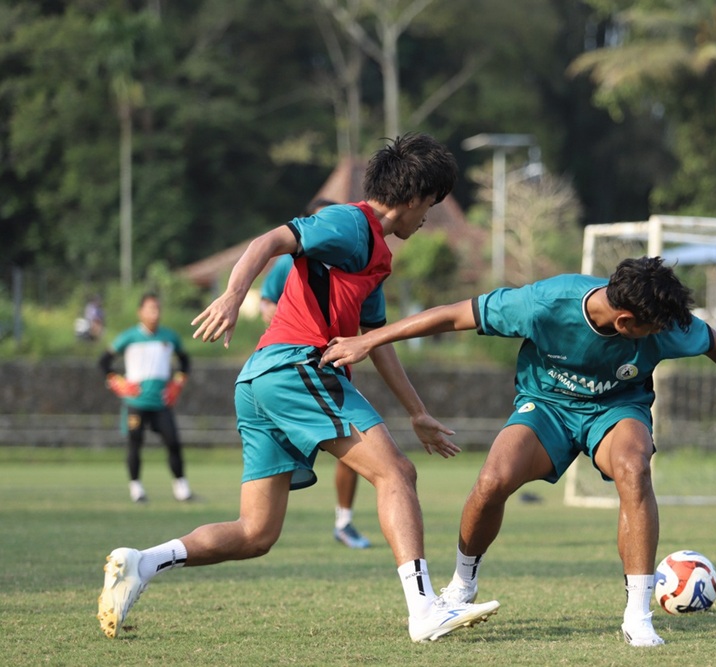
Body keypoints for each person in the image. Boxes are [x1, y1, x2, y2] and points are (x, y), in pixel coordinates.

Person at [96, 133, 499, 643]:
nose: (429, 219)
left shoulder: (376, 255)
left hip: (262, 379)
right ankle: (424, 610)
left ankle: (142, 563)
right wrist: (232, 295)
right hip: (296, 367)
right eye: (432, 207)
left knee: (256, 533)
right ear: (415, 198)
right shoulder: (350, 223)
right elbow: (270, 241)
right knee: (396, 472)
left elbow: (375, 341)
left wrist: (416, 411)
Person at [319, 256, 716, 647]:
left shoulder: (663, 320)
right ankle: (462, 585)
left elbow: (713, 341)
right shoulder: (545, 303)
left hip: (617, 409)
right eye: (652, 330)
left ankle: (637, 616)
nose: (666, 335)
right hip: (546, 405)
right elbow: (454, 315)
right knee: (493, 480)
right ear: (625, 322)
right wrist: (374, 338)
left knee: (634, 467)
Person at [260, 197, 372, 550]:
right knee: (386, 462)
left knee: (363, 451)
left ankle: (343, 521)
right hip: (293, 365)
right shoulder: (294, 258)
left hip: (332, 368)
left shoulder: (353, 260)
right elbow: (267, 305)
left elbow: (372, 329)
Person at [99, 292, 193, 503]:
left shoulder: (170, 337)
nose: (155, 313)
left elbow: (185, 362)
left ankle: (182, 488)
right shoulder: (129, 337)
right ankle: (136, 488)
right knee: (135, 442)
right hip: (136, 402)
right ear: (140, 312)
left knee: (173, 442)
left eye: (158, 308)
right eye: (151, 308)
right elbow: (104, 362)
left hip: (161, 402)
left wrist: (177, 383)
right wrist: (117, 382)